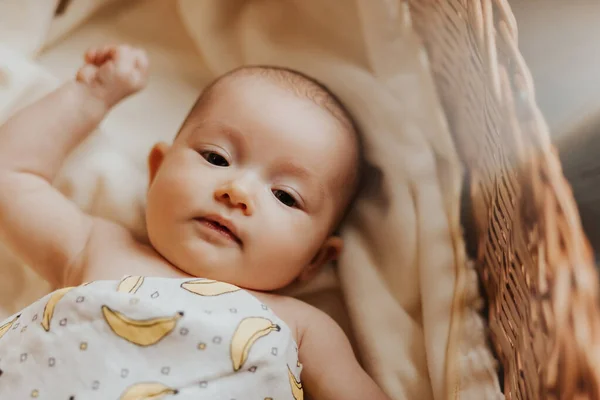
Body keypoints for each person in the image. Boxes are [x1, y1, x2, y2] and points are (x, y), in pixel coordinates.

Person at [0, 44, 389, 399]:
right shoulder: (98, 246)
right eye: (216, 158)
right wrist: (92, 95)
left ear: (315, 260)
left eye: (285, 196)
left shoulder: (304, 328)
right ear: (157, 170)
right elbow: (11, 177)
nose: (237, 191)